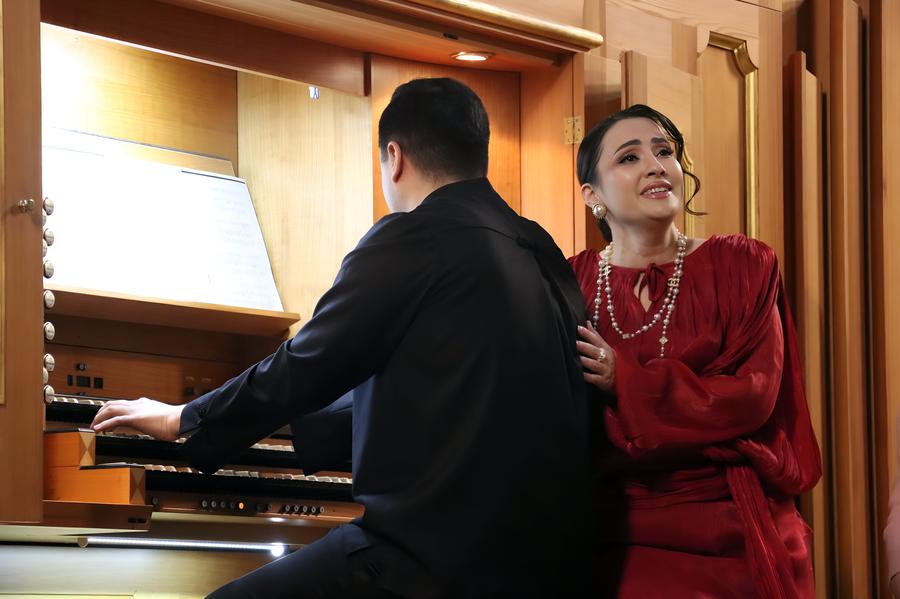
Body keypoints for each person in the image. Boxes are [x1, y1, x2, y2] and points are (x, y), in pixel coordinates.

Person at [90, 78, 596, 598]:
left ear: (394, 157)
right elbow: (453, 389)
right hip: (546, 566)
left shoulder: (415, 235)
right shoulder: (542, 249)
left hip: (430, 563)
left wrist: (187, 417)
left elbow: (308, 363)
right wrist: (284, 430)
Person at [569, 104, 822, 598]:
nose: (656, 166)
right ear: (592, 195)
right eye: (630, 157)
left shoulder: (743, 266)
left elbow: (751, 397)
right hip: (614, 525)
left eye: (665, 152)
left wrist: (625, 381)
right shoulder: (569, 283)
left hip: (734, 520)